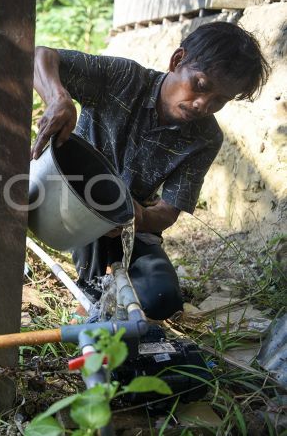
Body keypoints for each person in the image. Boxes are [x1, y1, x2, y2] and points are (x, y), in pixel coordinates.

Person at [31, 21, 270, 320]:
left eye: (220, 100)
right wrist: (58, 97)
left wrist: (139, 216)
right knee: (96, 255)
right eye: (201, 85)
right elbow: (41, 56)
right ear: (177, 60)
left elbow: (168, 212)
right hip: (68, 195)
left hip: (127, 223)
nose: (202, 104)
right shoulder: (124, 78)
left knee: (163, 299)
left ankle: (107, 289)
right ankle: (93, 298)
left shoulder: (206, 137)